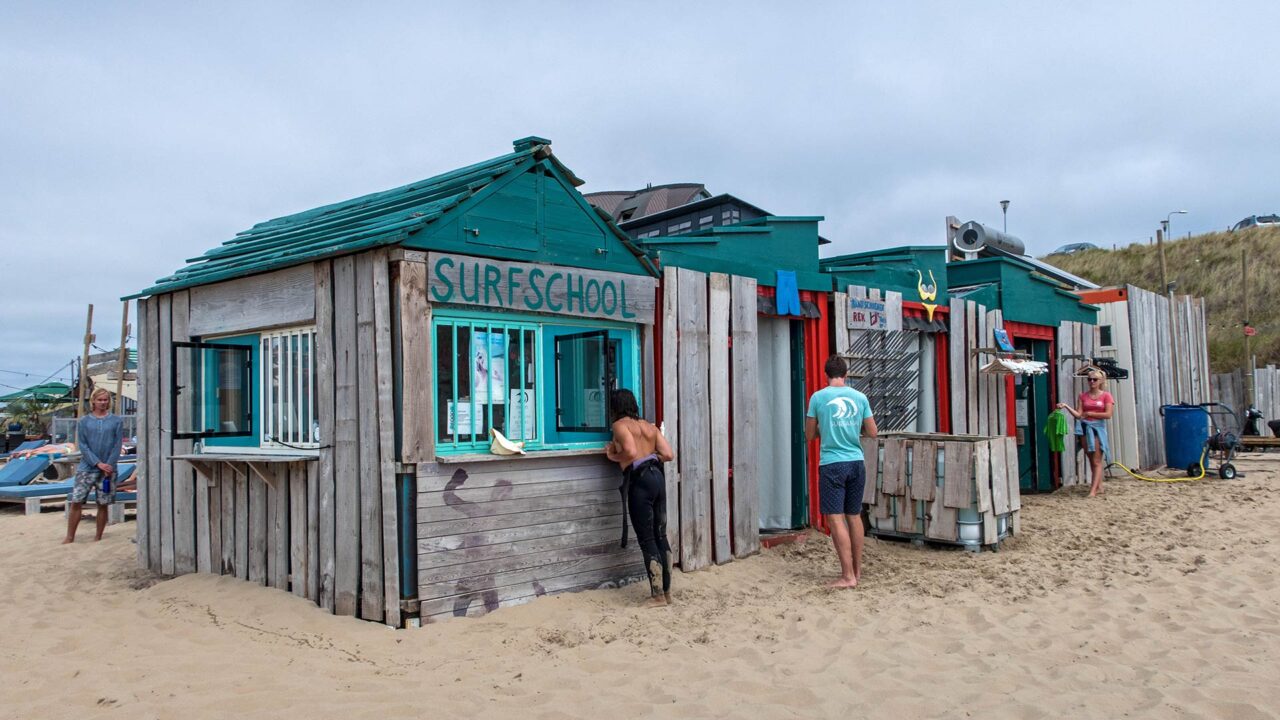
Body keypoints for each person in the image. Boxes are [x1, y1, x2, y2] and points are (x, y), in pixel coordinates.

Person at [805, 355, 877, 589]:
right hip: (856, 462)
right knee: (854, 515)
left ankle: (847, 576)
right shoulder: (860, 397)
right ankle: (857, 570)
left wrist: (825, 432)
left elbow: (809, 435)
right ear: (845, 375)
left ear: (826, 374)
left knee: (835, 518)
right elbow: (872, 432)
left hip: (832, 464)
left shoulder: (818, 397)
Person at [605, 388, 676, 607]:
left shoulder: (620, 426)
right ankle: (667, 592)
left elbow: (630, 452)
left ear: (615, 407)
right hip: (657, 478)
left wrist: (612, 455)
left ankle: (656, 597)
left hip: (640, 482)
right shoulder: (650, 427)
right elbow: (669, 455)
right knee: (661, 535)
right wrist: (651, 456)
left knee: (647, 539)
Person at [64, 388, 124, 543]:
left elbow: (117, 445)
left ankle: (98, 536)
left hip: (108, 471)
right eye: (100, 400)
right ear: (93, 401)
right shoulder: (84, 421)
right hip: (87, 468)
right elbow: (83, 446)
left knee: (103, 503)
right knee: (76, 501)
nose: (103, 403)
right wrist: (98, 463)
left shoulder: (116, 421)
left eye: (105, 400)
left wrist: (108, 465)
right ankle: (70, 536)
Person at [1057, 367, 1114, 497]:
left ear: (1100, 381)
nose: (1091, 382)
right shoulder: (1083, 396)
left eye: (1094, 379)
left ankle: (1093, 490)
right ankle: (1099, 487)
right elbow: (1079, 414)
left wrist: (1092, 413)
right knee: (1090, 458)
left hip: (1097, 428)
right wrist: (1065, 406)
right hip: (1084, 428)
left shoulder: (1106, 395)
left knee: (1096, 460)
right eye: (1089, 379)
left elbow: (1108, 414)